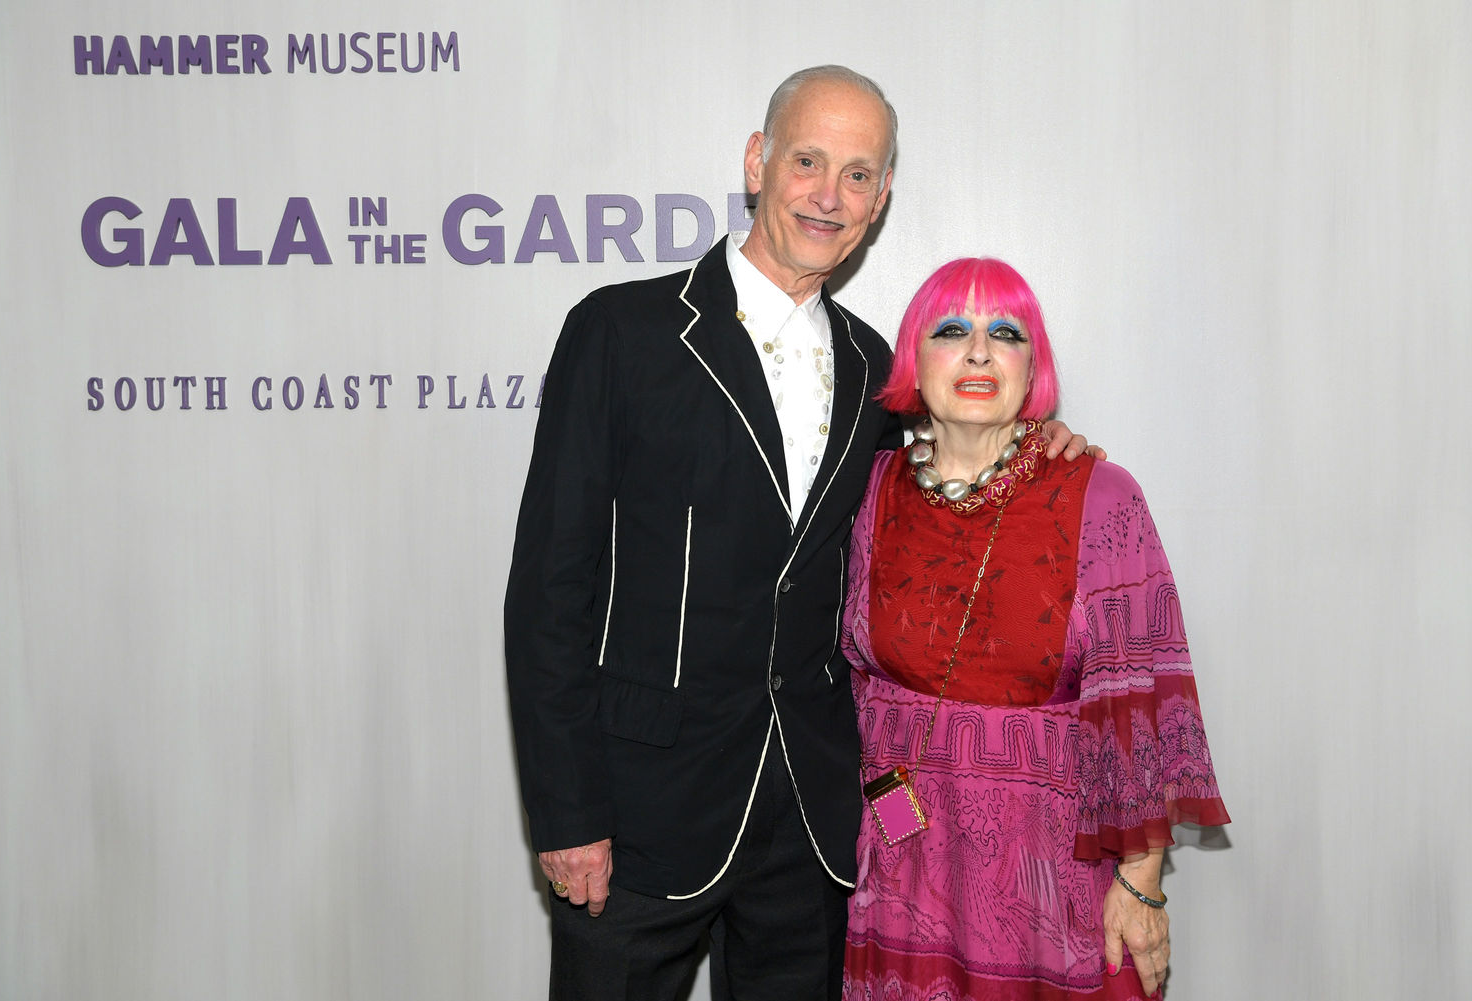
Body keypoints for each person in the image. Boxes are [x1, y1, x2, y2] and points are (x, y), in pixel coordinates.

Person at [504, 68, 1090, 1001]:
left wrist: (1040, 442)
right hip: (639, 810)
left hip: (811, 823)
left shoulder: (876, 370)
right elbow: (549, 594)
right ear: (756, 162)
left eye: (859, 175)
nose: (829, 194)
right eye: (809, 161)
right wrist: (568, 810)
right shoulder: (621, 331)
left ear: (882, 197)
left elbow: (953, 480)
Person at [840, 257, 1229, 1000]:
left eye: (1006, 333)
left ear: (1033, 367)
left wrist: (1142, 886)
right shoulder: (874, 487)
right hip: (902, 868)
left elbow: (1141, 703)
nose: (979, 351)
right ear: (914, 364)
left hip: (1052, 885)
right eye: (952, 330)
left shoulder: (1099, 495)